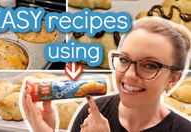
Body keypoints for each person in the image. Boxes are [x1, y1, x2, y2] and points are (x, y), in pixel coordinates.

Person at [23, 17, 191, 132]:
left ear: (173, 78)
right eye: (124, 60)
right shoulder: (92, 113)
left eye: (149, 65)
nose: (130, 75)